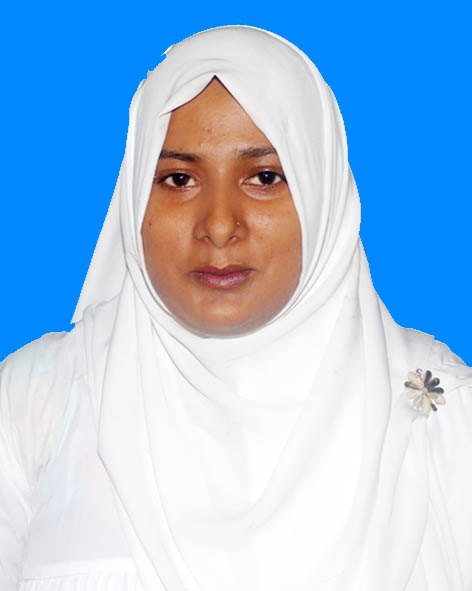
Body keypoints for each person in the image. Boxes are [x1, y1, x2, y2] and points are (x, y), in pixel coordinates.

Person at [1, 25, 471, 591]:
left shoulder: (443, 411)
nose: (220, 225)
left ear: (323, 193)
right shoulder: (32, 402)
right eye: (179, 179)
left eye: (265, 178)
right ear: (134, 195)